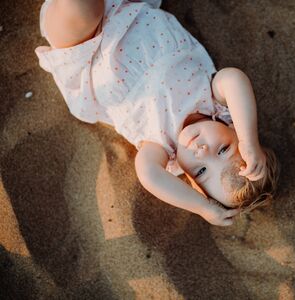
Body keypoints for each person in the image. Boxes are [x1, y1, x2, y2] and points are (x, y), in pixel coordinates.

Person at [35, 0, 279, 226]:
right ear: (234, 128)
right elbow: (235, 79)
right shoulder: (213, 100)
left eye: (201, 170)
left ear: (191, 183)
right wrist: (249, 141)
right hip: (129, 6)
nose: (202, 151)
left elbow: (149, 175)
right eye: (223, 149)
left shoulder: (164, 149)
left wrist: (201, 207)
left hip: (85, 44)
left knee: (83, 9)